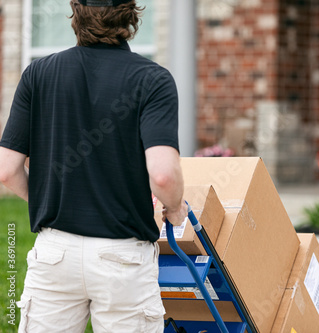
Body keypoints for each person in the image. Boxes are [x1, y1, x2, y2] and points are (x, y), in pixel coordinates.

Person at [0, 0, 188, 331]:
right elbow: (162, 175)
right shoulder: (153, 79)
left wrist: (49, 200)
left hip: (55, 253)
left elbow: (6, 170)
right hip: (123, 257)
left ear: (76, 12)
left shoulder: (38, 74)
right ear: (131, 15)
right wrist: (174, 209)